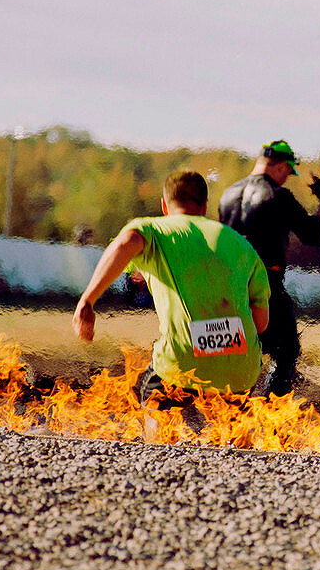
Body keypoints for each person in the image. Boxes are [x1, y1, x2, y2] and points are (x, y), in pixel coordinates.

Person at [74, 170, 270, 401]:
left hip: (182, 364)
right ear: (205, 206)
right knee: (227, 430)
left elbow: (125, 243)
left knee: (151, 392)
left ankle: (155, 435)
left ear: (164, 206)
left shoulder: (155, 229)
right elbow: (260, 324)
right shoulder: (242, 246)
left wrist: (87, 301)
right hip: (241, 373)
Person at [217, 141, 320, 397]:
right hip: (267, 288)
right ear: (281, 166)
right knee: (286, 352)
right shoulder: (278, 197)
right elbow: (314, 235)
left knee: (237, 353)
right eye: (287, 173)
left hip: (229, 290)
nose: (286, 179)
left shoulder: (227, 195)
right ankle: (271, 410)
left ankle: (231, 415)